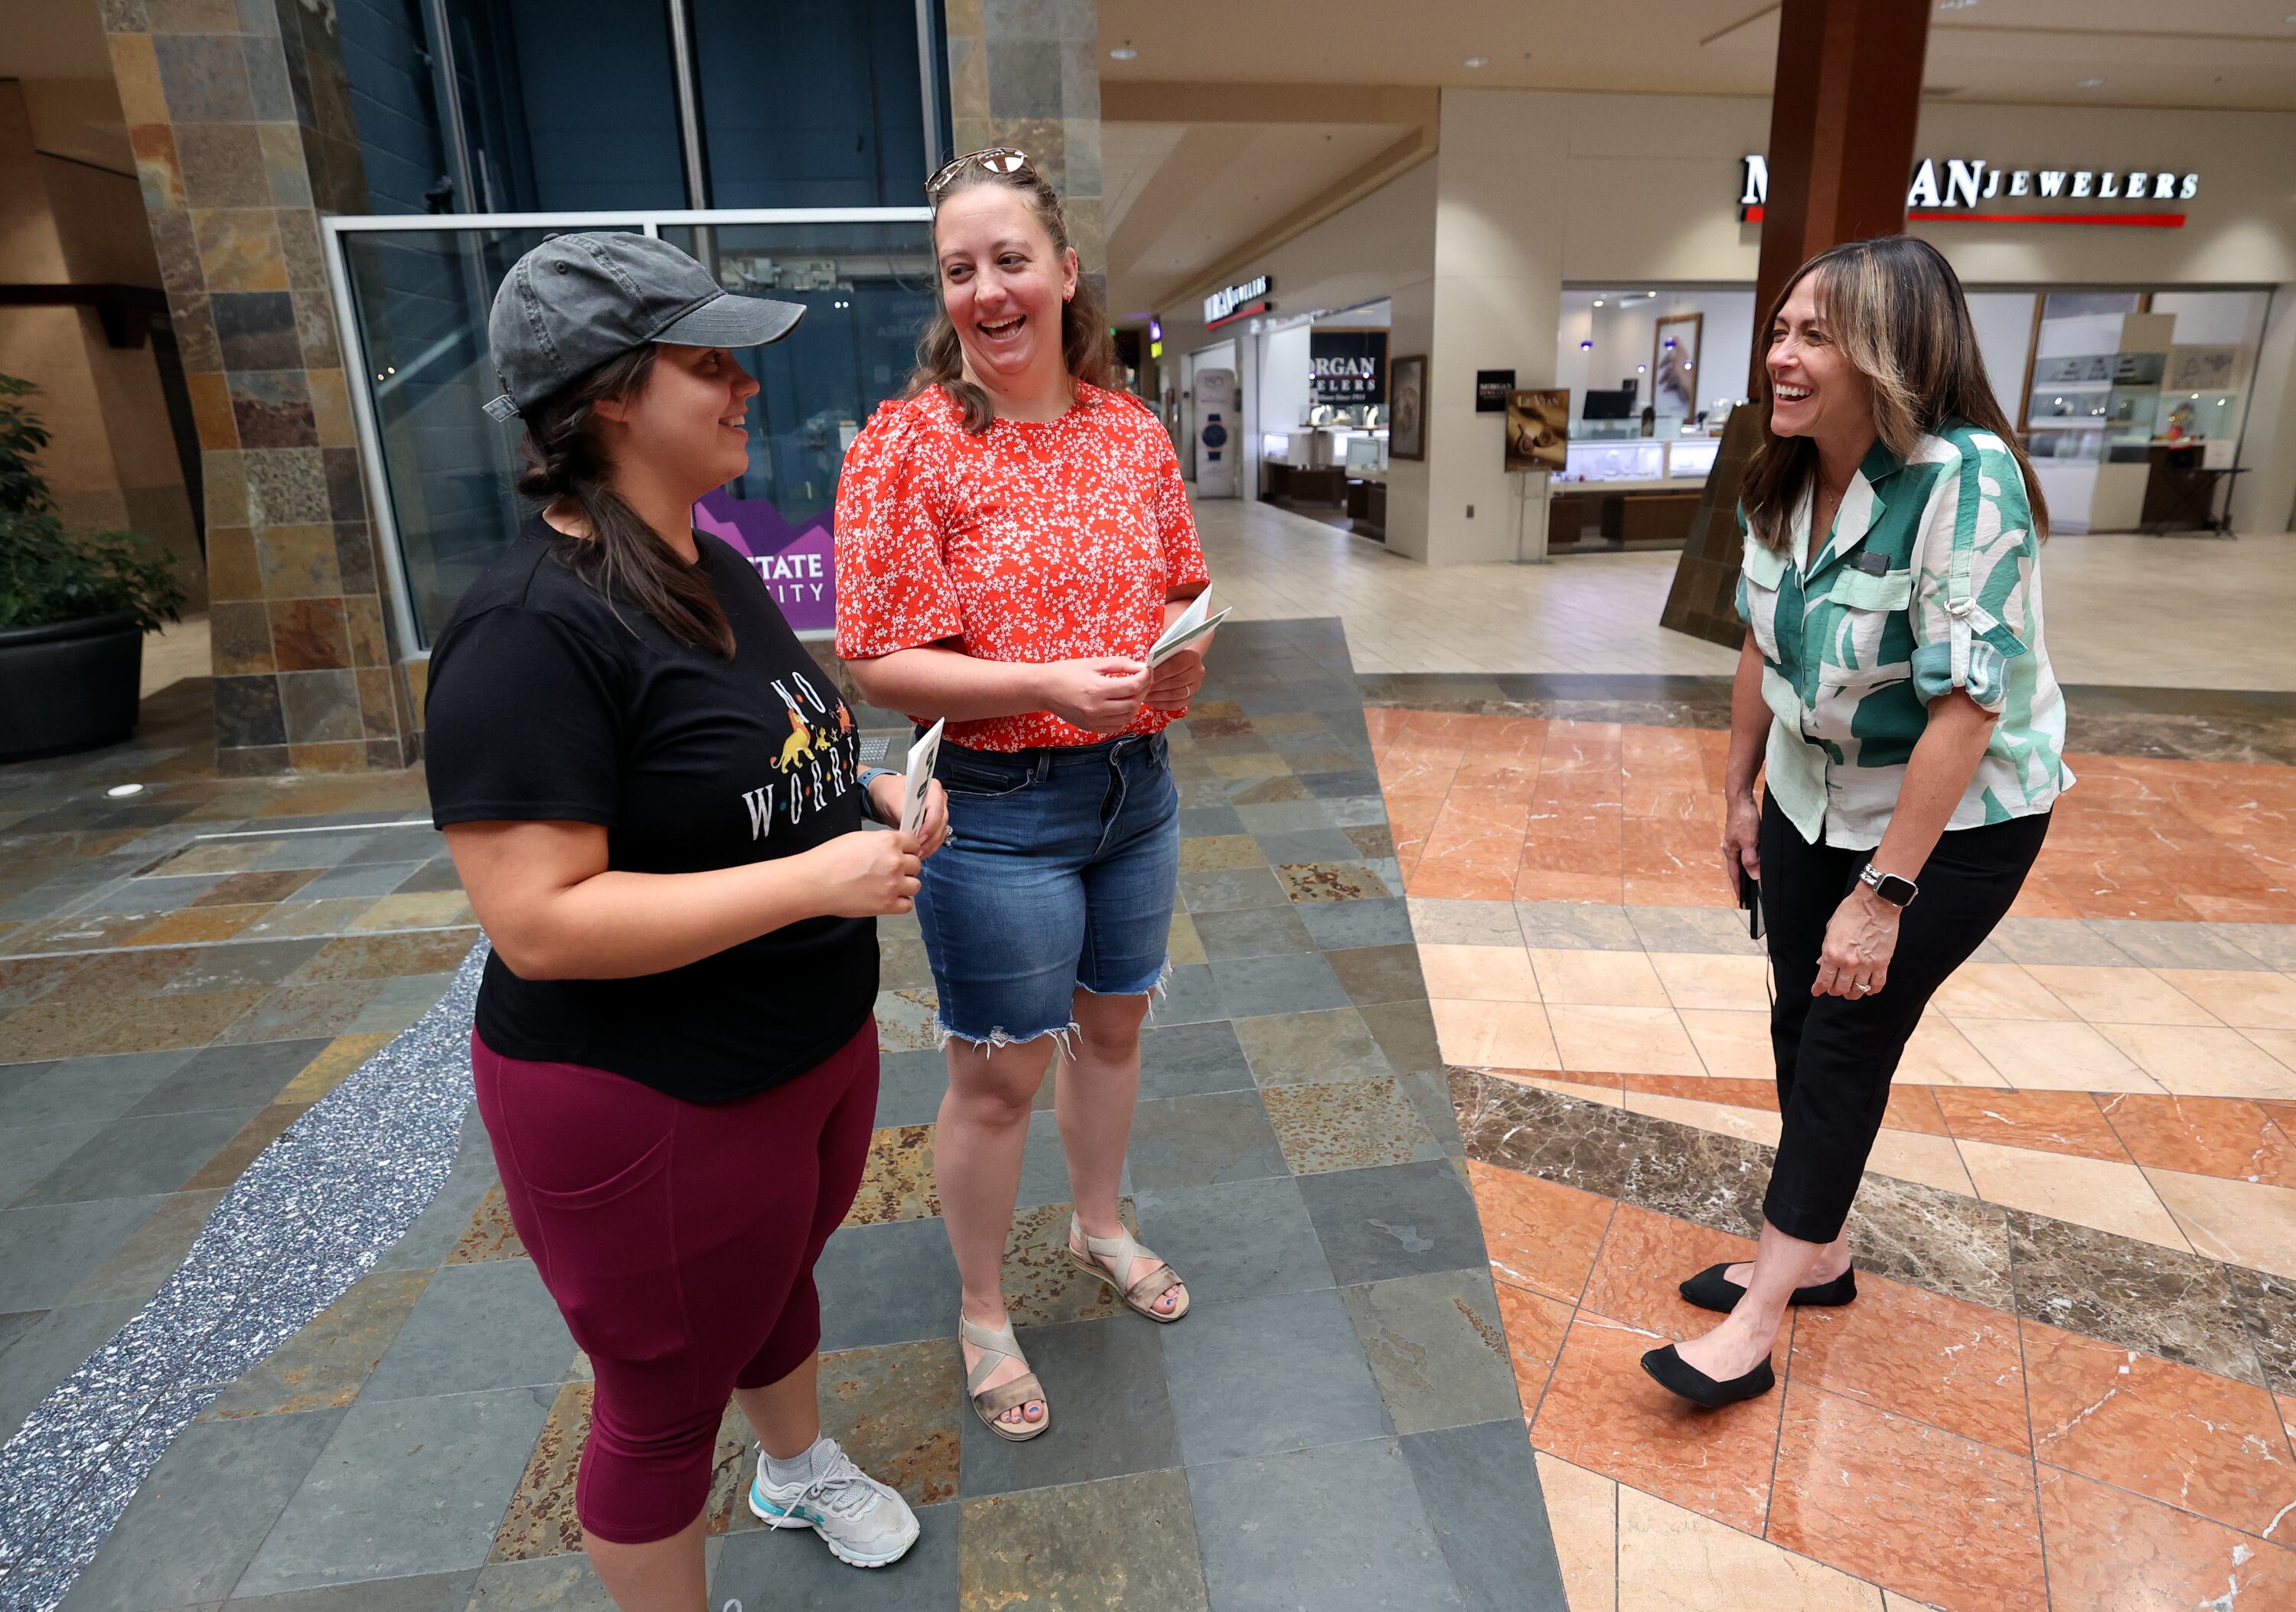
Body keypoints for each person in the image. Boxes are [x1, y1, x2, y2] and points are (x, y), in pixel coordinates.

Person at [424, 233, 949, 1605]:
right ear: (609, 394)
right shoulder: (528, 627)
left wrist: (867, 794)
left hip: (798, 1048)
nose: (746, 389)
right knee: (657, 1408)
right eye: (708, 363)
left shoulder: (702, 562)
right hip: (646, 1093)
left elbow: (758, 771)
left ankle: (792, 1465)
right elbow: (538, 920)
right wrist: (819, 878)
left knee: (777, 1284)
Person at [1643, 236, 2071, 1407]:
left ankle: (1763, 1316)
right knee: (1797, 1013)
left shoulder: (1964, 478)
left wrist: (1882, 897)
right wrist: (1738, 791)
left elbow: (1969, 712)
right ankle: (1819, 1243)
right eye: (1779, 329)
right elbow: (1756, 642)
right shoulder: (1785, 469)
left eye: (1813, 334)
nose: (1780, 355)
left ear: (1893, 347)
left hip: (1954, 821)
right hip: (1808, 792)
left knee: (1844, 1033)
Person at [833, 148, 1212, 1441]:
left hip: (1134, 790)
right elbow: (877, 654)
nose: (987, 291)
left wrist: (1183, 647)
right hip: (996, 808)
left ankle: (1099, 1221)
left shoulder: (1129, 431)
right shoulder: (910, 443)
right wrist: (1048, 676)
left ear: (1062, 273)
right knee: (997, 1077)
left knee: (1114, 1030)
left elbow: (1178, 584)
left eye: (1009, 260)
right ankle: (984, 1307)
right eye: (959, 270)